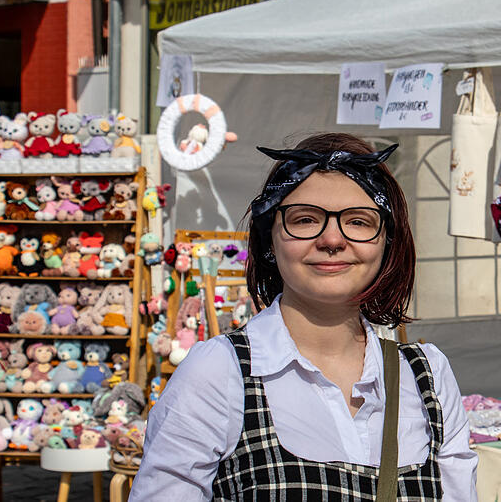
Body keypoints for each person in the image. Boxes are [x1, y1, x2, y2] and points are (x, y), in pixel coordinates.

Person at [131, 133, 478, 500]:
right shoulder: (219, 374)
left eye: (358, 221)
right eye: (305, 219)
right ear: (269, 241)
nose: (332, 239)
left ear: (387, 242)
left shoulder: (427, 378)